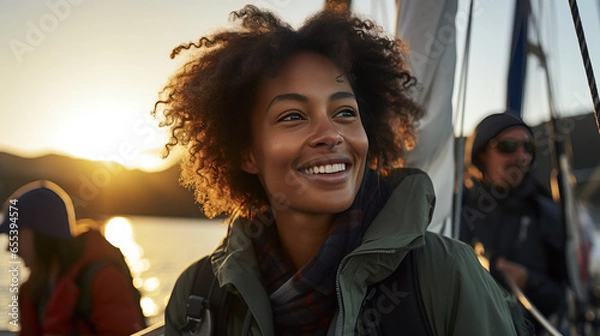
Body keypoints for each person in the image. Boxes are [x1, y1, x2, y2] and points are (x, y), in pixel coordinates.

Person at [155, 5, 531, 335]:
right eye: (293, 116)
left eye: (345, 113)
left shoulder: (444, 275)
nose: (330, 135)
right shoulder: (200, 294)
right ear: (247, 154)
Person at [459, 113, 568, 334]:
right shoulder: (453, 208)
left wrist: (528, 280)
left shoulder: (544, 212)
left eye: (528, 147)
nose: (522, 156)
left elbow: (564, 297)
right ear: (480, 154)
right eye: (508, 146)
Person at [0, 180, 145, 335]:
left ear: (41, 233)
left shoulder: (102, 281)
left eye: (14, 235)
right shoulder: (33, 291)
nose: (9, 248)